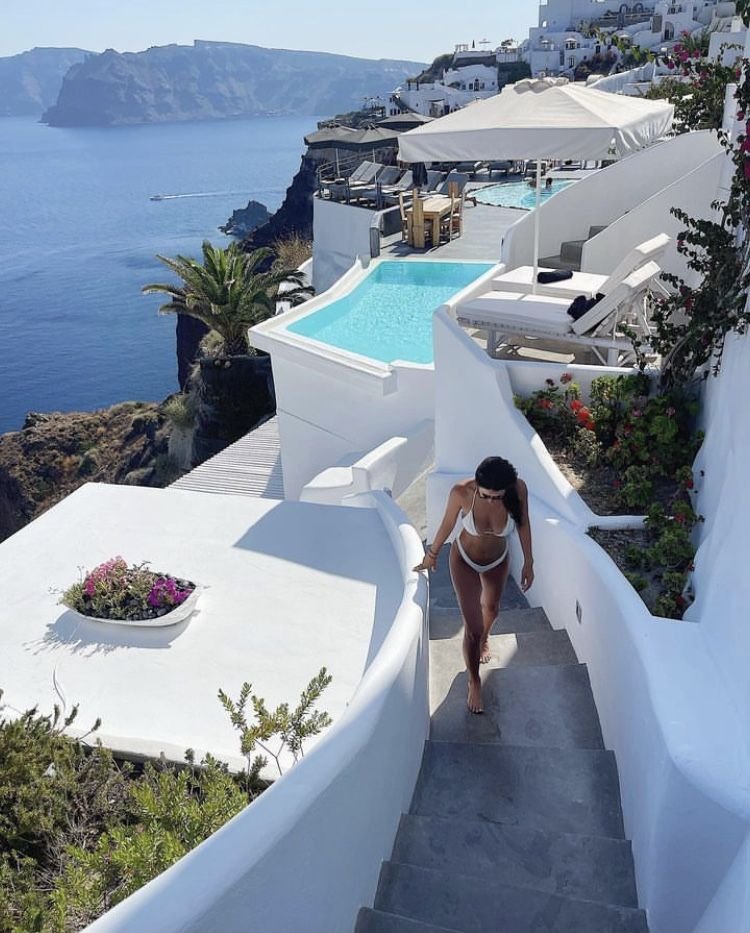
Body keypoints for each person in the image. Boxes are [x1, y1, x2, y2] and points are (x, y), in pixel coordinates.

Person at [413, 456, 534, 714]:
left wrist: (529, 562)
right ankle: (474, 680)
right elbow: (447, 524)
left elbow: (523, 524)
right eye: (486, 496)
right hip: (464, 560)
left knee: (492, 609)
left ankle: (485, 639)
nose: (491, 501)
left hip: (497, 560)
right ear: (477, 485)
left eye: (497, 497)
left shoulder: (519, 489)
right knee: (472, 629)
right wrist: (431, 555)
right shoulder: (461, 492)